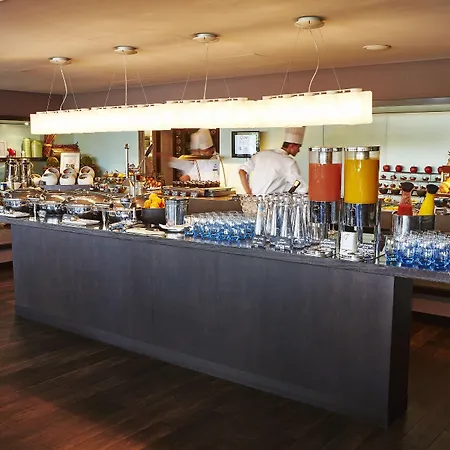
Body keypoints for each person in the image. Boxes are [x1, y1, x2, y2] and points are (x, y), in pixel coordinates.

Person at [238, 127, 307, 195]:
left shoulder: (261, 154)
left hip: (254, 200)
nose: (298, 150)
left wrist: (248, 193)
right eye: (298, 147)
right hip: (272, 201)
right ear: (291, 146)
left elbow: (242, 171)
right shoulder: (289, 163)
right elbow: (302, 188)